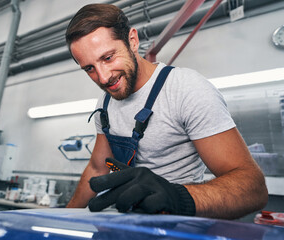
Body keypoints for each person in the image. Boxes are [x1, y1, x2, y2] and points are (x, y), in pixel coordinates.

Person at [65, 3, 268, 219]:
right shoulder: (105, 103)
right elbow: (98, 169)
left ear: (132, 41)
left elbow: (253, 188)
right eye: (89, 68)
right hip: (127, 227)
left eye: (108, 58)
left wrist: (177, 197)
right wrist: (63, 220)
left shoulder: (185, 89)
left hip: (178, 227)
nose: (103, 77)